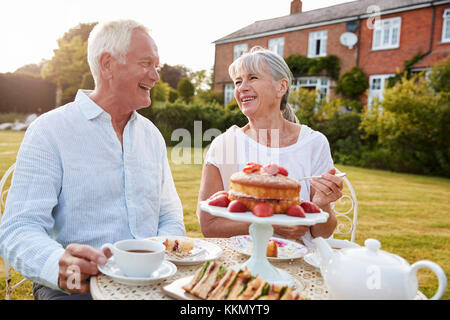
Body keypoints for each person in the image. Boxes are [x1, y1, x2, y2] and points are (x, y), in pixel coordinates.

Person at [0, 19, 185, 300]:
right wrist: (58, 266)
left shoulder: (152, 136)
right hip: (78, 288)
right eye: (146, 63)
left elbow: (170, 215)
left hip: (149, 279)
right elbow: (19, 228)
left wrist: (158, 255)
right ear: (108, 64)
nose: (156, 76)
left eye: (156, 65)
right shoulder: (50, 131)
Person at [197, 46, 342, 246]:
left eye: (252, 78)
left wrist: (322, 206)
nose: (242, 87)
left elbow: (323, 233)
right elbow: (209, 226)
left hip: (299, 261)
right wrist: (273, 225)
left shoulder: (314, 143)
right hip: (243, 261)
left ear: (281, 87)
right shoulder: (224, 144)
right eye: (238, 82)